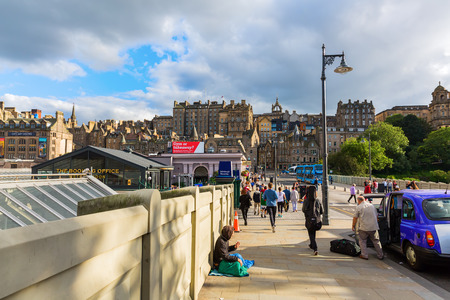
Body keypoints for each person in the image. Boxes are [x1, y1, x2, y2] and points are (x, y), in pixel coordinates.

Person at [352, 196, 384, 260]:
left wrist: (353, 225)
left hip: (364, 228)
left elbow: (355, 217)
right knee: (376, 241)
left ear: (358, 201)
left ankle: (364, 255)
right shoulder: (372, 206)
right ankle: (380, 255)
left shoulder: (359, 207)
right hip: (373, 227)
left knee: (362, 241)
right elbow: (377, 215)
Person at [302, 185, 323, 255]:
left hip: (309, 220)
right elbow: (322, 211)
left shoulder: (306, 200)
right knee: (313, 232)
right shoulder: (318, 200)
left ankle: (315, 248)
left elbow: (303, 210)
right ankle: (311, 244)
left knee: (311, 233)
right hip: (317, 221)